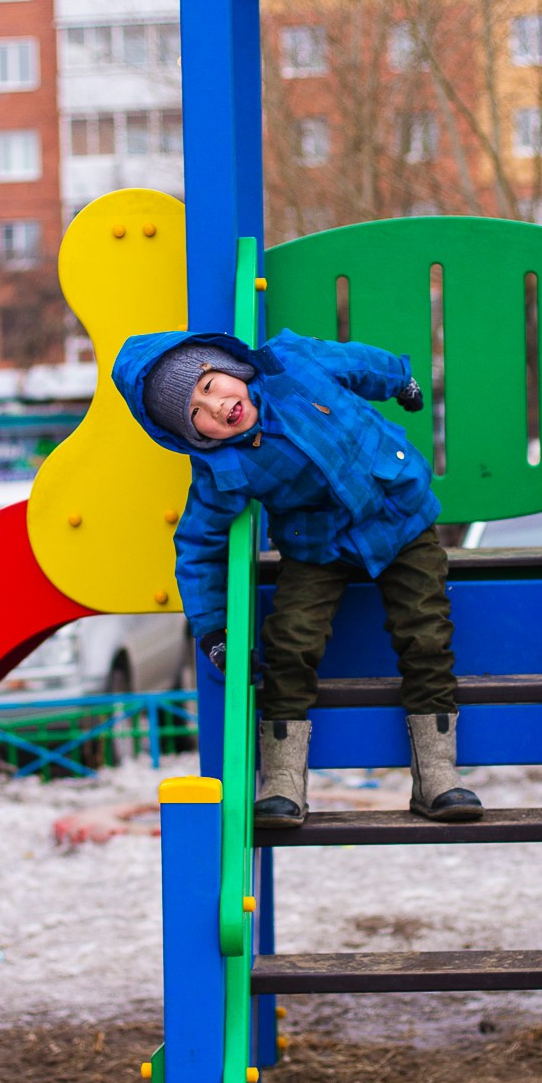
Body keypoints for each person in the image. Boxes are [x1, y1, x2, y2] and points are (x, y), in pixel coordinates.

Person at [112, 327, 483, 828]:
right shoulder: (223, 469)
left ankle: (437, 774)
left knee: (425, 633)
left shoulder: (291, 364)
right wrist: (213, 628)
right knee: (289, 644)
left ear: (229, 365)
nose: (217, 407)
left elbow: (356, 362)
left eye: (209, 386)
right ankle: (283, 780)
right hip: (319, 545)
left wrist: (400, 379)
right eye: (196, 415)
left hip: (400, 516)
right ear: (191, 436)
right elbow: (199, 545)